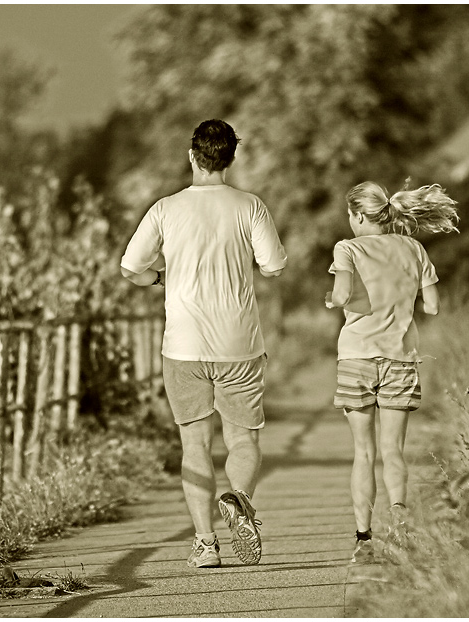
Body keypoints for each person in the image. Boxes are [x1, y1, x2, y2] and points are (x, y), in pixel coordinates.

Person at [120, 119, 287, 568]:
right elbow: (272, 266)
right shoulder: (250, 206)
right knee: (243, 439)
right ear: (231, 158)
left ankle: (205, 544)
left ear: (192, 156)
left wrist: (159, 277)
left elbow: (130, 268)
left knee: (194, 445)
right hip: (240, 343)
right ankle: (240, 499)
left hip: (184, 346)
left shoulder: (165, 209)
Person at [325, 179, 458, 563]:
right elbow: (432, 306)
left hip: (357, 358)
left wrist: (335, 302)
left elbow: (341, 295)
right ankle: (399, 534)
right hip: (401, 358)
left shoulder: (347, 248)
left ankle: (364, 541)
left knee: (363, 453)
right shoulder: (414, 248)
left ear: (356, 215)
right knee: (393, 452)